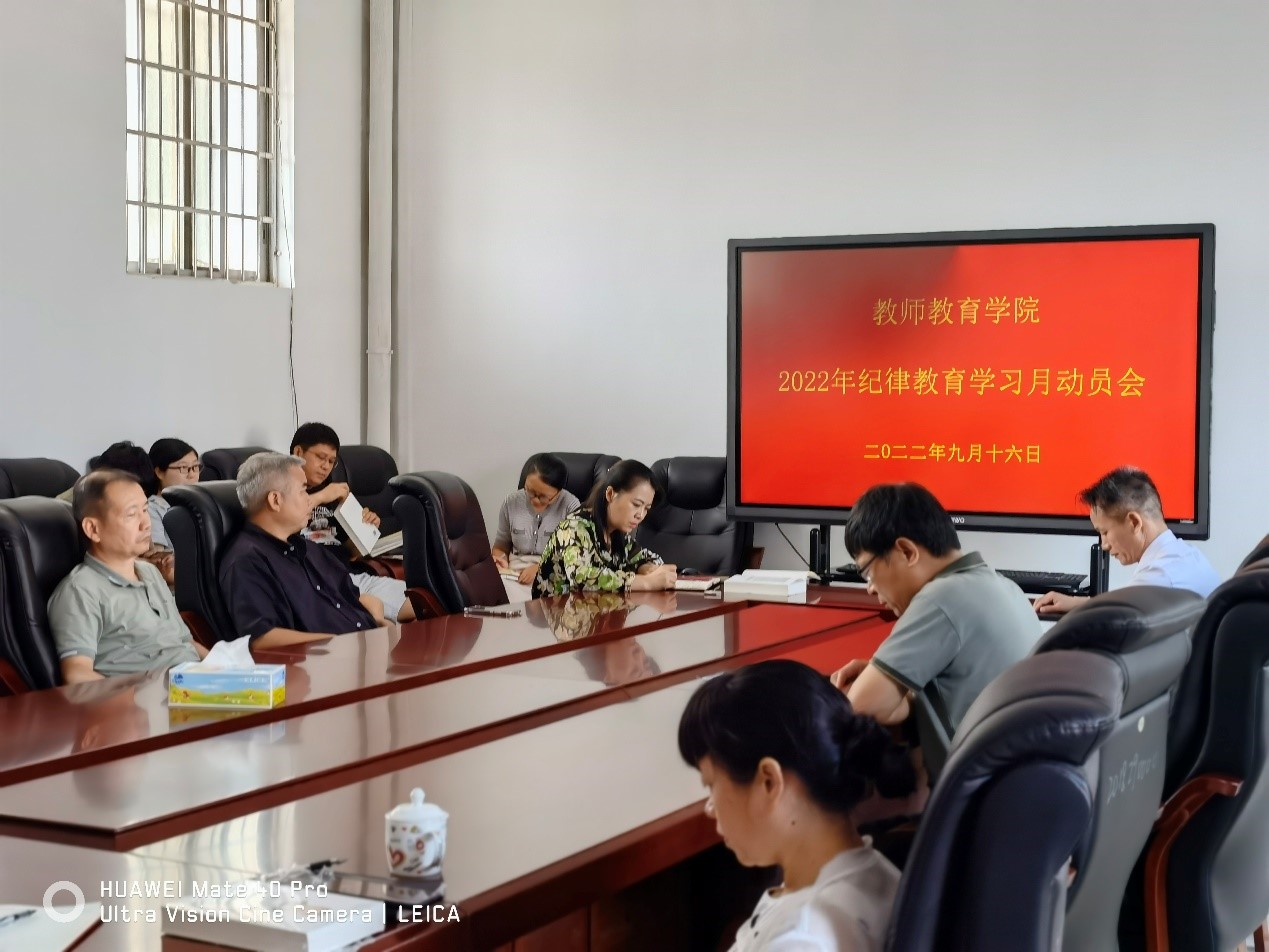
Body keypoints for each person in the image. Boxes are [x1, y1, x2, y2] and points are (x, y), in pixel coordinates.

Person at [678, 659, 915, 951]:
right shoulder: (877, 874)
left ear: (769, 781)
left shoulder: (799, 939)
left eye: (711, 784)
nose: (710, 807)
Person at [829, 483, 1039, 756]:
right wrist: (892, 679)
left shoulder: (940, 598)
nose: (870, 588)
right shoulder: (1005, 586)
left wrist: (871, 686)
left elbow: (859, 710)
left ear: (906, 551)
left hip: (976, 777)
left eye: (867, 572)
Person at [47, 469, 207, 683]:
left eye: (145, 510)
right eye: (131, 514)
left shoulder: (150, 572)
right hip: (152, 696)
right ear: (93, 529)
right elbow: (77, 675)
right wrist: (139, 697)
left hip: (195, 684)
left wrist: (223, 671)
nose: (146, 523)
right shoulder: (80, 590)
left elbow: (186, 642)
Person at [219, 452, 385, 649]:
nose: (309, 500)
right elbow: (262, 638)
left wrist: (378, 621)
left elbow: (353, 596)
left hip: (365, 644)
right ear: (275, 500)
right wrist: (337, 645)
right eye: (303, 490)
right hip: (326, 659)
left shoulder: (307, 548)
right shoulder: (247, 561)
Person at [1033, 466, 1222, 614]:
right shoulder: (1188, 557)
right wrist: (1076, 603)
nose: (1104, 545)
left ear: (1134, 522)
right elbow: (1122, 603)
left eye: (1105, 532)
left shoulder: (1159, 576)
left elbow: (1115, 617)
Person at [289, 422, 414, 622]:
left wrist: (364, 531)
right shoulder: (280, 488)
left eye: (331, 461)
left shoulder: (334, 496)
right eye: (320, 457)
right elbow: (279, 522)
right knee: (381, 615)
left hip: (349, 575)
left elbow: (351, 554)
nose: (326, 467)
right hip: (316, 582)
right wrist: (322, 496)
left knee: (424, 603)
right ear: (298, 452)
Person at [532, 459, 678, 596]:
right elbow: (582, 577)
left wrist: (646, 568)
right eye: (636, 504)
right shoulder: (574, 527)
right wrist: (645, 583)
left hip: (598, 610)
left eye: (646, 508)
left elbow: (647, 558)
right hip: (555, 611)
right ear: (610, 494)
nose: (640, 515)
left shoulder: (616, 533)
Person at [491, 453, 581, 585]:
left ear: (558, 492)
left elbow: (576, 555)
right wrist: (500, 559)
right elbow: (500, 546)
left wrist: (541, 568)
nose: (535, 500)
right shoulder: (511, 502)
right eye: (530, 491)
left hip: (554, 575)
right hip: (514, 574)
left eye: (543, 496)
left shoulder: (571, 507)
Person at [148, 437, 200, 550]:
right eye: (183, 467)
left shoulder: (201, 503)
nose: (192, 475)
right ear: (159, 472)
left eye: (195, 467)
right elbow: (158, 555)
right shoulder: (152, 509)